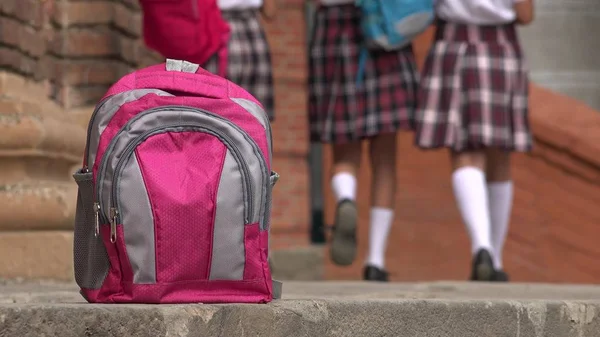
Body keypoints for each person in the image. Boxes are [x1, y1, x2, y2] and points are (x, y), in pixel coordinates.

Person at [414, 0, 535, 281]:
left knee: (464, 152)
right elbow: (525, 14)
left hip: (453, 45)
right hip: (500, 46)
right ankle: (495, 257)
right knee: (500, 154)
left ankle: (481, 246)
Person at [308, 0, 419, 281]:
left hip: (334, 30)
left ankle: (346, 197)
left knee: (344, 153)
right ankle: (376, 261)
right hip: (384, 28)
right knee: (384, 158)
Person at [203, 0, 277, 121]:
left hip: (252, 25)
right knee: (219, 107)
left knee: (256, 111)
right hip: (217, 22)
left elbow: (270, 12)